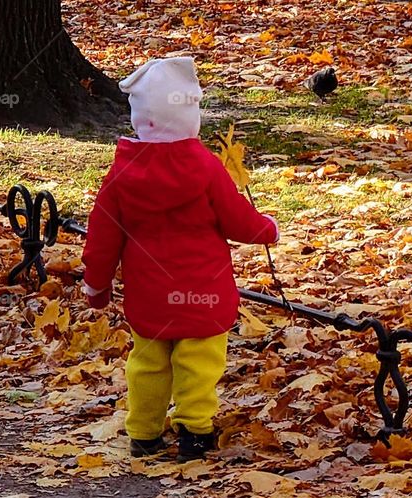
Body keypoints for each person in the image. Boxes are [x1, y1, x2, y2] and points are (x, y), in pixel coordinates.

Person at [81, 57, 279, 461]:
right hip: (203, 292)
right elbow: (237, 219)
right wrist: (267, 228)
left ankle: (144, 433)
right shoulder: (206, 168)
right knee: (199, 363)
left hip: (149, 294)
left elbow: (103, 234)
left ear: (140, 118)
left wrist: (96, 285)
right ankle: (194, 430)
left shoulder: (121, 174)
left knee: (148, 364)